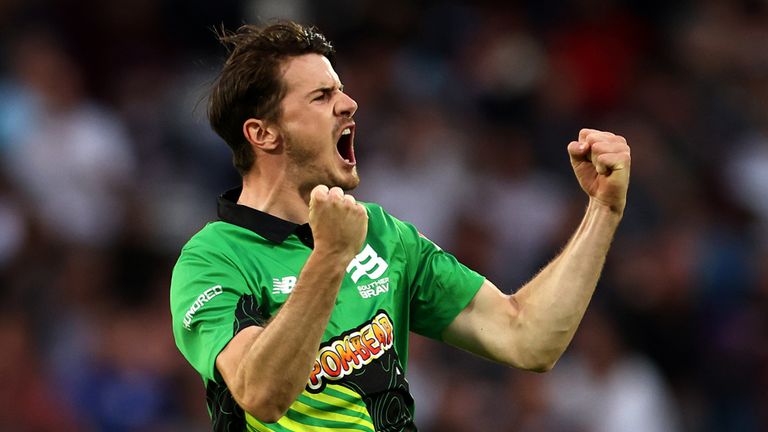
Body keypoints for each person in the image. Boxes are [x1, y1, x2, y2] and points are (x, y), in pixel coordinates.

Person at [170, 21, 631, 432]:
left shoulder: (383, 235)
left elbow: (527, 337)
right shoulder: (213, 258)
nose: (349, 104)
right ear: (263, 133)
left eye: (341, 90)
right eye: (321, 96)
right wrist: (329, 257)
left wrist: (602, 211)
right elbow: (260, 394)